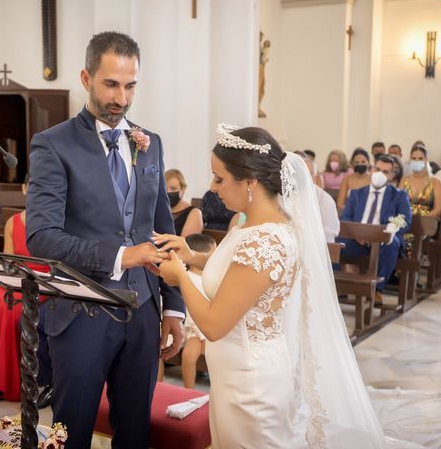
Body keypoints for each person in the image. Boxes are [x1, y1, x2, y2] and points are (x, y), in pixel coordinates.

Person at [155, 126, 422, 448]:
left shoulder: (266, 239)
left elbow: (214, 325)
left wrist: (180, 276)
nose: (212, 187)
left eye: (220, 178)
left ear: (250, 182)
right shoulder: (250, 227)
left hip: (250, 381)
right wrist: (194, 257)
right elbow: (236, 277)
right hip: (236, 372)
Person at [26, 31, 184, 449]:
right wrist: (120, 256)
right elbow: (41, 238)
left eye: (130, 85)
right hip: (81, 314)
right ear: (86, 77)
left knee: (134, 431)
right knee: (71, 432)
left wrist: (175, 308)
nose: (122, 97)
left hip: (145, 312)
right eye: (111, 84)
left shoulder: (149, 144)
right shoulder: (53, 144)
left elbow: (162, 229)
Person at [0, 177, 52, 406]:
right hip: (17, 281)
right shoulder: (13, 222)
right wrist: (9, 276)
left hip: (44, 285)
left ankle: (14, 382)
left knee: (12, 306)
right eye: (33, 186)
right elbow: (10, 263)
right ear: (25, 189)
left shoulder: (56, 221)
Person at [338, 155, 412, 303]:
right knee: (334, 241)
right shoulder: (357, 194)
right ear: (371, 170)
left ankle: (377, 290)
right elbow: (345, 218)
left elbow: (405, 221)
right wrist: (357, 235)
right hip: (358, 240)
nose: (380, 174)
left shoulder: (399, 196)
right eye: (377, 169)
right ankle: (337, 285)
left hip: (383, 241)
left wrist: (385, 234)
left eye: (385, 172)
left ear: (391, 175)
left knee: (393, 243)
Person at [180, 233, 216, 389]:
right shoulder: (186, 277)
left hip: (203, 327)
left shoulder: (210, 280)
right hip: (188, 325)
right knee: (188, 356)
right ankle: (188, 390)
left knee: (201, 354)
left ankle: (213, 388)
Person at [399, 145, 441, 217]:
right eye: (414, 158)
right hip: (405, 219)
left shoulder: (435, 182)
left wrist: (423, 220)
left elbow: (438, 209)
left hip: (427, 221)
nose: (417, 161)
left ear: (426, 160)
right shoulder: (404, 180)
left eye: (420, 158)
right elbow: (398, 202)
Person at [165, 168, 203, 237]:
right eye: (165, 189)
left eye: (173, 188)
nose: (168, 192)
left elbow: (186, 244)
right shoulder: (158, 210)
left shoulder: (194, 213)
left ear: (183, 189)